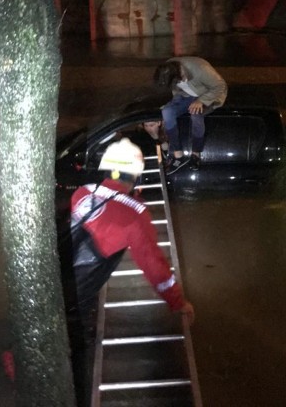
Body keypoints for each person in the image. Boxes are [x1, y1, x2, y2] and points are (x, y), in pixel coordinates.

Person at [60, 138, 195, 407]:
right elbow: (153, 265)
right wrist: (178, 302)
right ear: (135, 175)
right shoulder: (135, 214)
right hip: (78, 293)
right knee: (69, 345)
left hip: (56, 271)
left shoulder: (83, 192)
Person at [153, 56, 228, 173]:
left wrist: (201, 101)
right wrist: (175, 102)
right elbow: (176, 90)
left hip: (208, 95)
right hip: (187, 95)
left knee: (195, 114)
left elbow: (220, 86)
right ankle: (178, 155)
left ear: (179, 74)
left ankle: (196, 154)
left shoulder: (200, 69)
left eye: (177, 81)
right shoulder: (168, 68)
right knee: (167, 112)